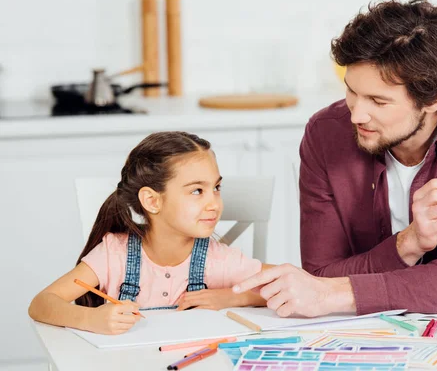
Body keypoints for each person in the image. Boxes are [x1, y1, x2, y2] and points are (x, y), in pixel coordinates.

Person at [233, 0, 437, 317]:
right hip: (355, 330)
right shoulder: (325, 133)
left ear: (435, 98)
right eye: (351, 91)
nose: (356, 115)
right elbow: (322, 273)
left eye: (378, 101)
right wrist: (409, 243)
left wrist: (336, 293)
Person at [29, 132, 266, 335]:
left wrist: (232, 297)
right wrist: (91, 320)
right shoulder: (115, 255)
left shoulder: (217, 259)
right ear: (152, 201)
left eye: (216, 188)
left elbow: (286, 285)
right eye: (197, 191)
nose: (214, 203)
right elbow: (41, 304)